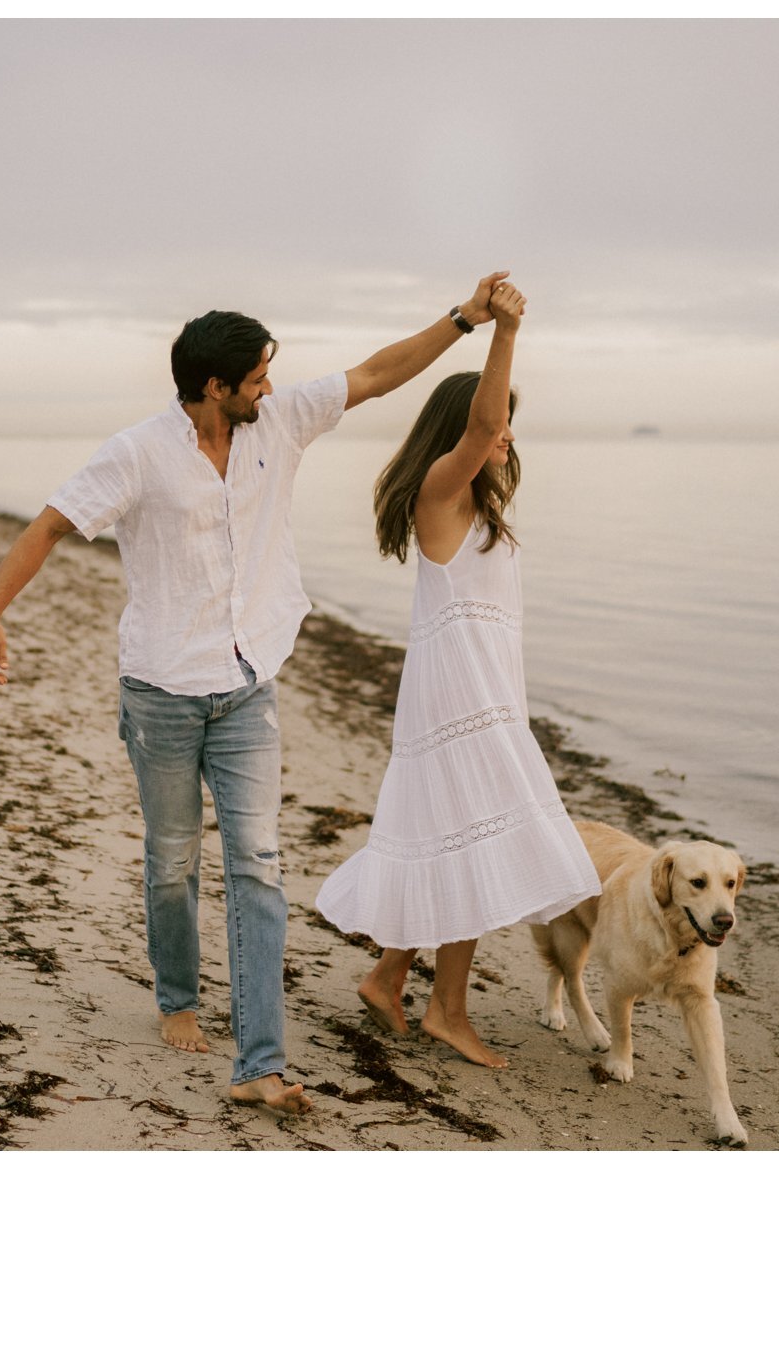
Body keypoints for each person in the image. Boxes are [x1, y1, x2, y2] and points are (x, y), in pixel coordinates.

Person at [0, 271, 513, 1115]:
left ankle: (261, 1060)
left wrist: (463, 320)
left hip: (250, 682)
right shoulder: (138, 453)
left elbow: (374, 375)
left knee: (257, 865)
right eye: (257, 374)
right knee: (174, 862)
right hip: (161, 689)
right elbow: (49, 525)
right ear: (214, 386)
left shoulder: (282, 422)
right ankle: (179, 998)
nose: (271, 383)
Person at [314, 280, 599, 1068]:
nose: (507, 433)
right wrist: (503, 331)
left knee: (453, 843)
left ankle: (388, 977)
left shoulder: (477, 507)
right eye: (499, 420)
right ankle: (445, 1008)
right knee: (471, 845)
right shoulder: (442, 489)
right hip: (457, 704)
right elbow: (482, 423)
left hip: (482, 699)